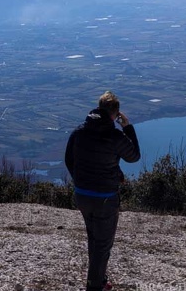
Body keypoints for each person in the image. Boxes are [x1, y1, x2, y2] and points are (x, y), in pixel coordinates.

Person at [65, 91, 140, 291]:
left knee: (94, 238)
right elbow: (134, 156)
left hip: (82, 195)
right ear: (115, 114)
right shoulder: (115, 135)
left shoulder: (79, 131)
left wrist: (81, 181)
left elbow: (69, 160)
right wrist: (128, 127)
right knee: (103, 244)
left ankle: (100, 279)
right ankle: (94, 286)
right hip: (105, 198)